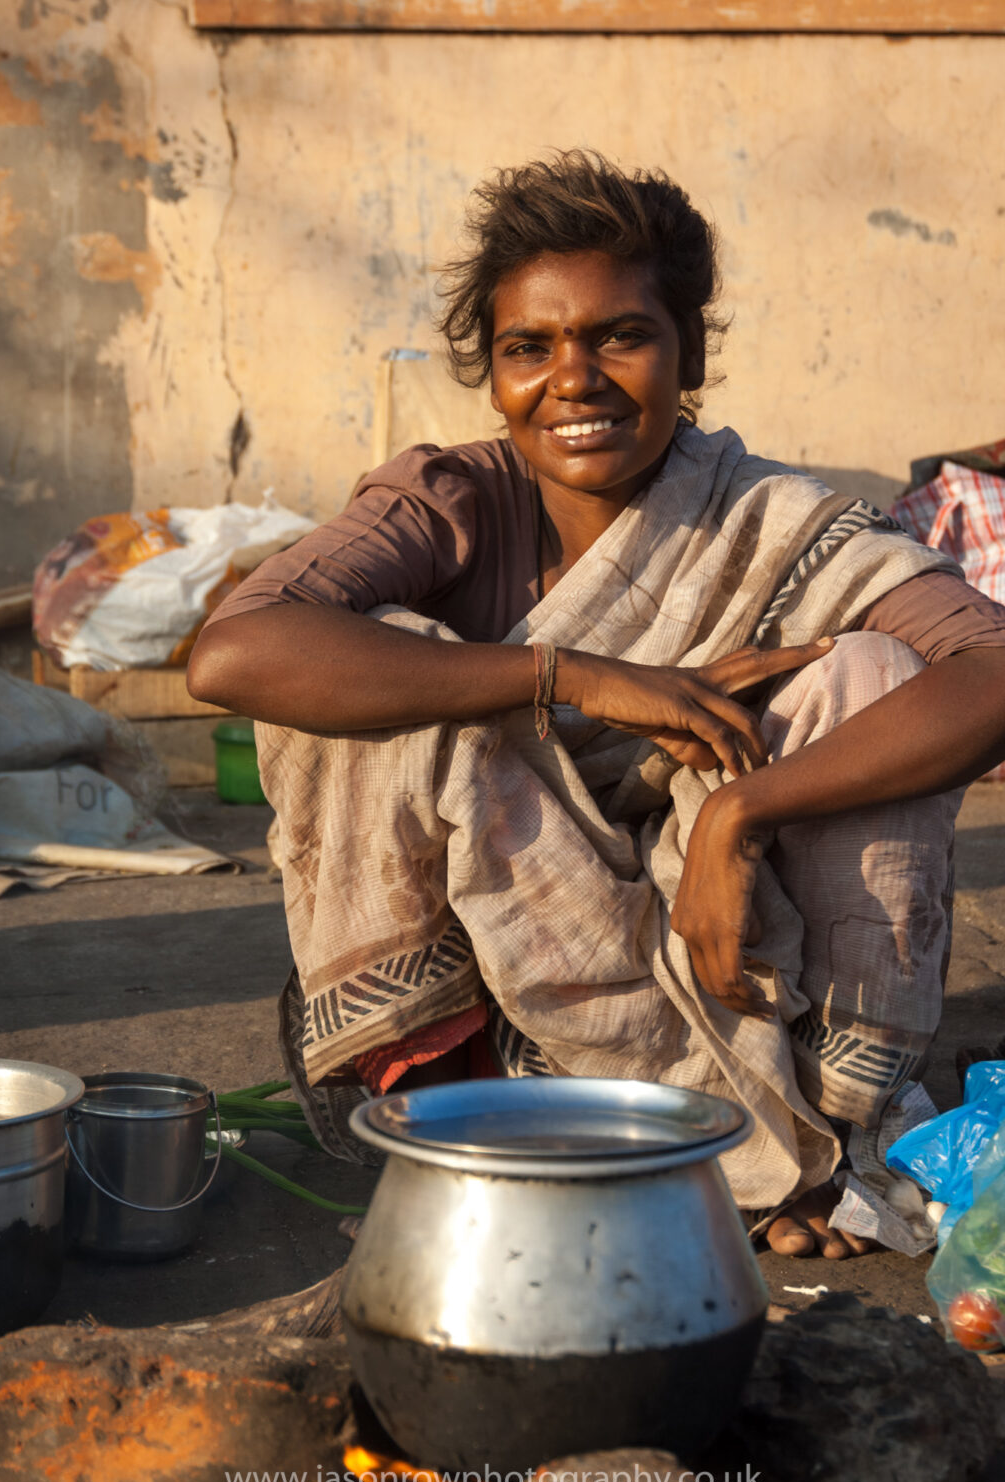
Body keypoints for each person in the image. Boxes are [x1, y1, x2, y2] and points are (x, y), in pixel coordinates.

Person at [188, 150, 1005, 1260]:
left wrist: (738, 811)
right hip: (481, 1028)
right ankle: (567, 1115)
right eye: (530, 347)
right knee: (381, 671)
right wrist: (569, 675)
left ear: (688, 353)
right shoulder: (450, 501)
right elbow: (235, 651)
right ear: (494, 374)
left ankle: (822, 1124)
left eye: (619, 335)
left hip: (741, 960)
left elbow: (990, 670)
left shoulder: (765, 518)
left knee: (870, 675)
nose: (573, 379)